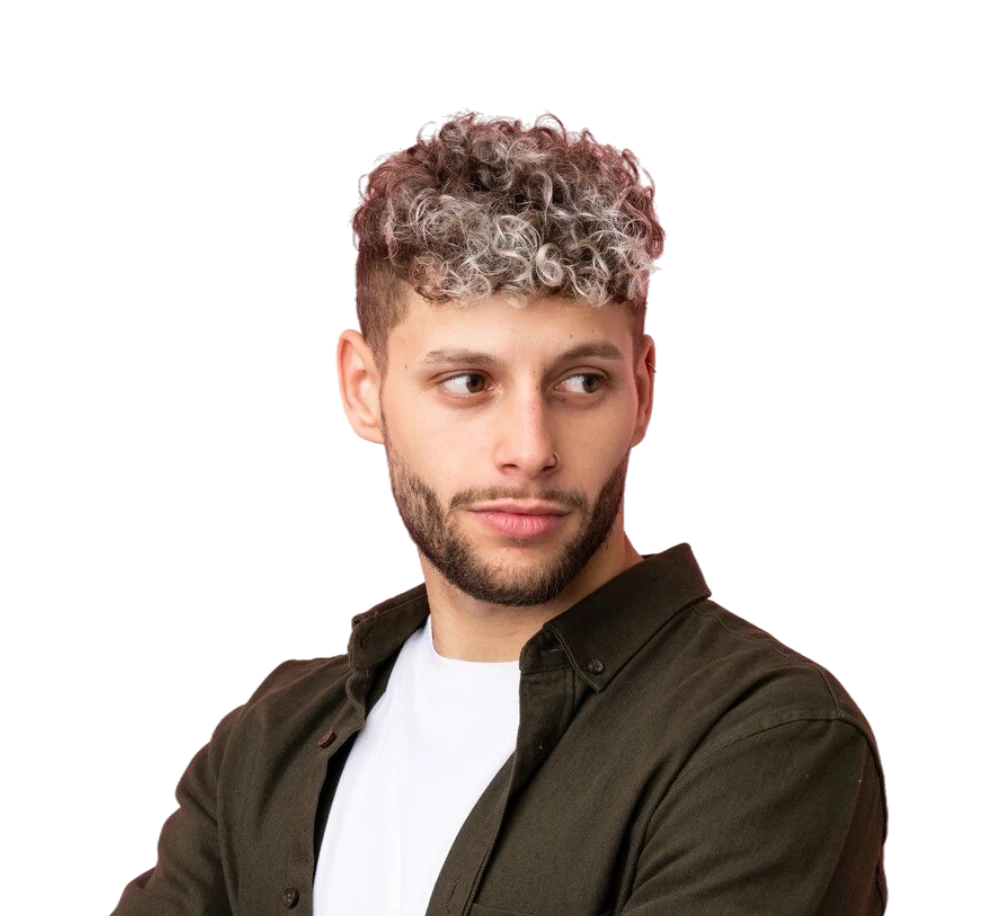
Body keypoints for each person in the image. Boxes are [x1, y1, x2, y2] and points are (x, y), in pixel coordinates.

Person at [112, 109, 888, 915]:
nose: (530, 448)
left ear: (644, 392)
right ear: (362, 391)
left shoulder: (767, 740)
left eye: (581, 382)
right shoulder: (264, 743)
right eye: (468, 383)